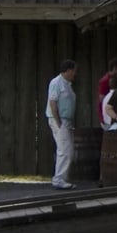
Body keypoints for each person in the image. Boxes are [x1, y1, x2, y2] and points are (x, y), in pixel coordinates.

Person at [46, 59, 77, 190]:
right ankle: (59, 179)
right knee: (64, 150)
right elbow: (53, 102)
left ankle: (62, 178)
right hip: (59, 120)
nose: (75, 73)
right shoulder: (56, 82)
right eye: (74, 71)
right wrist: (58, 122)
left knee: (67, 150)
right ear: (68, 70)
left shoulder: (67, 84)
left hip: (66, 120)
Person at [97, 58, 117, 128]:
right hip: (107, 116)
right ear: (115, 68)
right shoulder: (105, 80)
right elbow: (102, 99)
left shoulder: (114, 79)